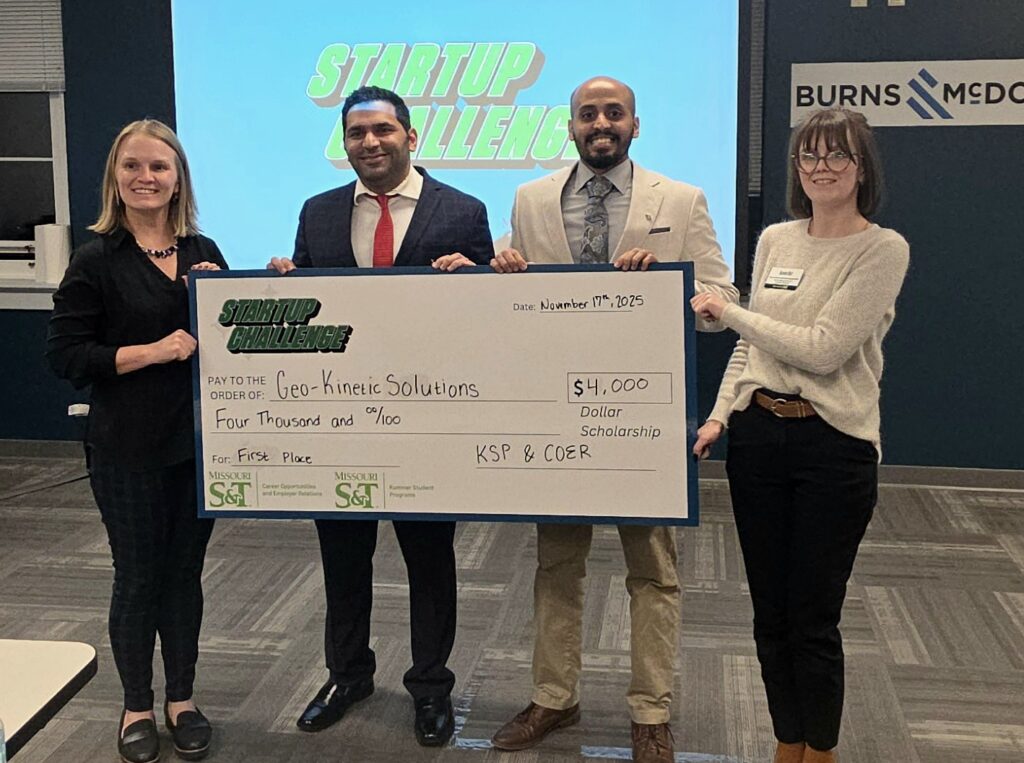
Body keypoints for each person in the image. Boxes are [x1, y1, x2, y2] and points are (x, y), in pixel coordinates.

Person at [474, 75, 738, 763]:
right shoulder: (531, 199)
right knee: (556, 562)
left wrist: (670, 287)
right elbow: (516, 306)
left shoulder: (680, 199)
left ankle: (651, 712)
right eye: (588, 114)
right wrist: (502, 270)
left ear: (634, 125)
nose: (600, 123)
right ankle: (553, 696)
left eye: (613, 113)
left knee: (653, 569)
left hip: (643, 417)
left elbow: (724, 300)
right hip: (554, 415)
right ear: (570, 126)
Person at [266, 85, 493, 747]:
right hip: (340, 422)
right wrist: (285, 283)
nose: (370, 142)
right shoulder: (318, 212)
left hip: (428, 422)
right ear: (345, 142)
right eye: (356, 132)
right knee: (343, 558)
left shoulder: (464, 210)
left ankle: (431, 685)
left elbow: (490, 322)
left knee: (430, 560)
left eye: (383, 130)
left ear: (410, 137)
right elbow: (313, 313)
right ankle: (347, 675)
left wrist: (474, 278)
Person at [690, 107, 909, 763]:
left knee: (814, 618)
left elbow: (821, 349)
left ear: (862, 168)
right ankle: (788, 742)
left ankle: (822, 750)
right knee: (770, 614)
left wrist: (730, 312)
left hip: (833, 446)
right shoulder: (776, 240)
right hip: (758, 439)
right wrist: (722, 412)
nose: (822, 167)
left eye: (838, 155)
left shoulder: (882, 249)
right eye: (809, 155)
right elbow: (753, 348)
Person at [47, 120, 226, 763]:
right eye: (132, 166)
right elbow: (66, 355)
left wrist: (230, 294)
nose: (145, 178)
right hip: (126, 447)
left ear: (178, 178)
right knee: (139, 576)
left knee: (184, 576)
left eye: (159, 167)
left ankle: (182, 699)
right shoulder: (96, 259)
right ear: (115, 177)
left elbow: (229, 341)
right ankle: (136, 706)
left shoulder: (202, 248)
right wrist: (151, 351)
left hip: (196, 447)